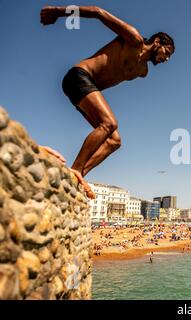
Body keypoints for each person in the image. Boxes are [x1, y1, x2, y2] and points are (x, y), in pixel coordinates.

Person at [40, 5, 175, 198]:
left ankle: (77, 178)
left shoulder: (143, 71)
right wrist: (58, 12)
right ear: (156, 42)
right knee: (109, 123)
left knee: (114, 141)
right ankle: (76, 168)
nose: (167, 59)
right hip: (79, 77)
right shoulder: (133, 39)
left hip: (86, 90)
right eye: (167, 52)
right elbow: (98, 13)